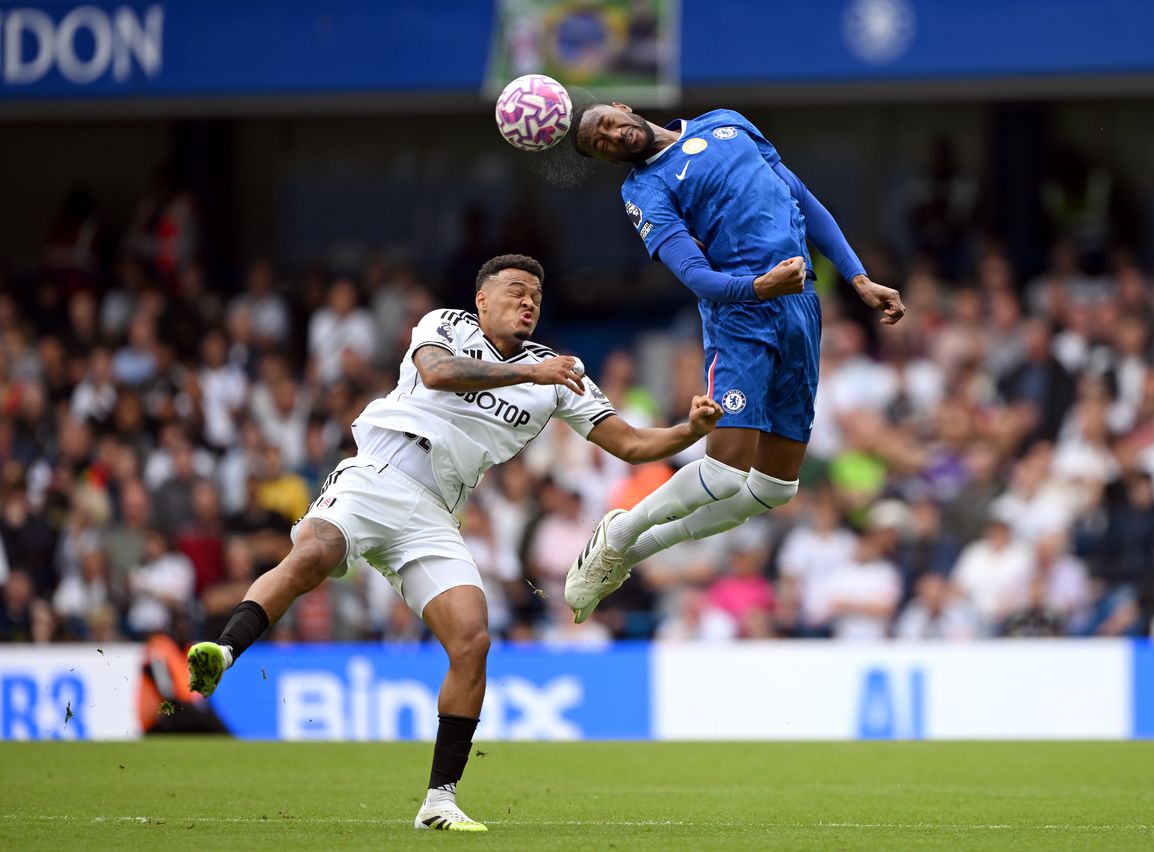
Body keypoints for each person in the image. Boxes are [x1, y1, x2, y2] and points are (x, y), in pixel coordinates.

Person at [186, 254, 721, 831]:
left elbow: (631, 443)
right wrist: (531, 375)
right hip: (376, 475)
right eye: (515, 290)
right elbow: (439, 373)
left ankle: (438, 802)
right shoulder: (447, 325)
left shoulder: (558, 374)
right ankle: (223, 651)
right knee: (316, 552)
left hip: (435, 514)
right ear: (481, 300)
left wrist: (687, 431)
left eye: (536, 296)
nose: (528, 302)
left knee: (472, 639)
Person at [564, 102, 905, 621]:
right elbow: (695, 276)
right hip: (741, 317)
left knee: (774, 489)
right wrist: (759, 287)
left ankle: (627, 551)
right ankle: (622, 530)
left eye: (607, 124)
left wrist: (858, 278)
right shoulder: (644, 190)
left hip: (800, 307)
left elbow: (801, 198)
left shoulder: (727, 121)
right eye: (600, 144)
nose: (612, 136)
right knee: (725, 475)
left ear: (622, 108)